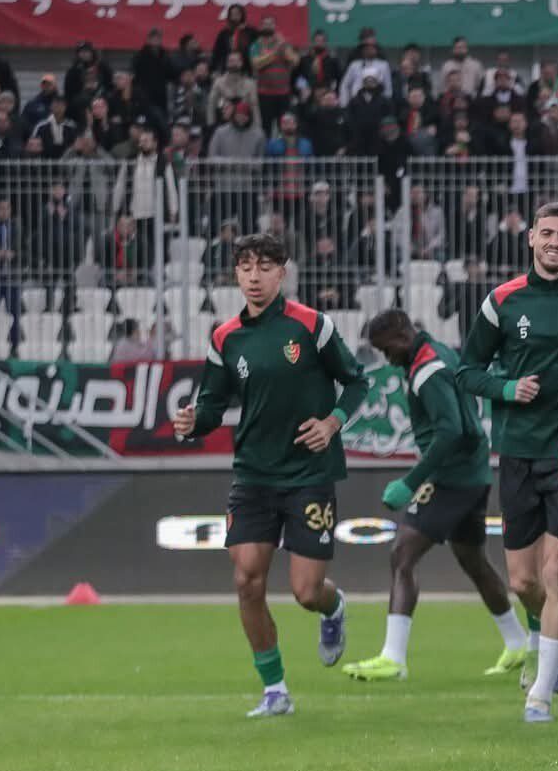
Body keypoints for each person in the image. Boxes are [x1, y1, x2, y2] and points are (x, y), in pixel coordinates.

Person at [170, 233, 368, 718]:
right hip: (253, 475)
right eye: (245, 267)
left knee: (305, 591)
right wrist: (194, 420)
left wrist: (332, 423)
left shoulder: (311, 326)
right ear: (236, 275)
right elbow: (215, 404)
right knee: (247, 581)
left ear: (283, 272)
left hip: (309, 473)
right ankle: (275, 689)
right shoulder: (224, 337)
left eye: (264, 267)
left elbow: (358, 381)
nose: (254, 277)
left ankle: (332, 606)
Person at [457, 202, 558, 719]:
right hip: (516, 453)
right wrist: (505, 387)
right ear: (530, 239)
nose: (556, 243)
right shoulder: (502, 300)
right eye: (548, 233)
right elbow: (466, 370)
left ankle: (540, 692)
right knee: (523, 581)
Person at [341, 310, 529, 683]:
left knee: (402, 554)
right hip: (472, 473)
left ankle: (393, 657)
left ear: (401, 335)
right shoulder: (437, 350)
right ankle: (517, 641)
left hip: (452, 479)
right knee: (473, 560)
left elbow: (451, 432)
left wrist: (411, 481)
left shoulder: (428, 371)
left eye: (386, 349)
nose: (386, 358)